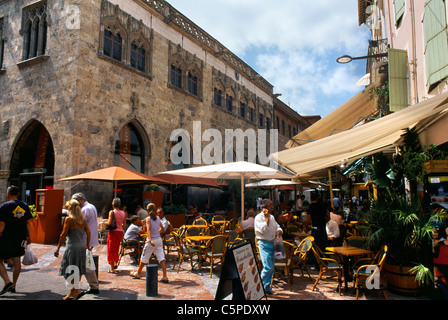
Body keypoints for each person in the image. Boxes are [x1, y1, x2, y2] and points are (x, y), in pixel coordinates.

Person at [54, 199, 91, 300]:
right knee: (77, 270)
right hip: (81, 247)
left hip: (72, 247)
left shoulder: (69, 220)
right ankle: (74, 292)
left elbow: (63, 234)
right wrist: (87, 244)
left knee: (68, 269)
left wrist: (57, 248)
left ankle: (73, 291)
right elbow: (88, 232)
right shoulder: (82, 219)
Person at [0, 186, 33, 296]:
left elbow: (1, 223)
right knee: (16, 260)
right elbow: (28, 222)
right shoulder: (24, 205)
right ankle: (13, 285)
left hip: (7, 236)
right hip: (21, 236)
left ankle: (7, 282)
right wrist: (29, 236)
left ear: (8, 193)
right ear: (18, 194)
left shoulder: (5, 205)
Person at [130, 203, 168, 283]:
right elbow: (163, 228)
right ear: (154, 210)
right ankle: (165, 276)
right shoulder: (158, 218)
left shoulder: (148, 219)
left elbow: (149, 230)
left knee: (144, 257)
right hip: (158, 240)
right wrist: (158, 232)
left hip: (152, 240)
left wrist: (150, 240)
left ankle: (138, 273)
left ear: (147, 210)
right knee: (161, 258)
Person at [71, 192, 100, 296]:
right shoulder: (91, 206)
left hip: (84, 240)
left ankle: (80, 287)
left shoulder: (84, 209)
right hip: (88, 240)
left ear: (81, 199)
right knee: (86, 263)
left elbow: (80, 225)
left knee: (82, 263)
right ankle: (91, 285)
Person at [254, 199, 283, 295]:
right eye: (270, 206)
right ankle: (258, 287)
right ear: (265, 207)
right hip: (264, 243)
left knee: (271, 267)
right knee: (268, 267)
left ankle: (266, 288)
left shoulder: (272, 217)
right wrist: (266, 220)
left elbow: (276, 226)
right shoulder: (258, 218)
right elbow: (261, 230)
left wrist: (279, 230)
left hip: (272, 243)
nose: (272, 207)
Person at [104, 198, 126, 274]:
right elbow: (124, 225)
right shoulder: (123, 213)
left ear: (113, 204)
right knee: (116, 248)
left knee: (111, 249)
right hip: (120, 232)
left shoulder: (112, 212)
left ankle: (112, 268)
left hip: (113, 232)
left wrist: (104, 222)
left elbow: (109, 223)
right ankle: (115, 262)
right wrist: (119, 224)